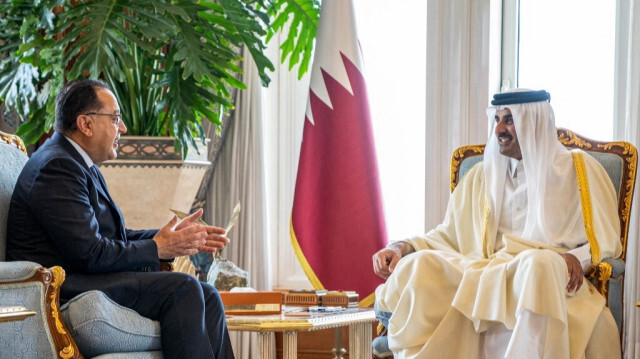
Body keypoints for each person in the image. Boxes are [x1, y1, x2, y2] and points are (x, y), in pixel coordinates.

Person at [371, 89, 622, 359]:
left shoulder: (579, 170)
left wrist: (573, 257)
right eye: (497, 120)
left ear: (534, 122)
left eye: (510, 120)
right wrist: (401, 248)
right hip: (485, 273)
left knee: (540, 264)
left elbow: (606, 240)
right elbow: (448, 236)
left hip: (546, 278)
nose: (499, 129)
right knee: (420, 265)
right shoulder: (481, 175)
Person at [6, 79, 235, 358]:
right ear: (86, 124)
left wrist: (174, 239)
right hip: (65, 286)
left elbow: (111, 238)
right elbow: (90, 253)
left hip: (88, 274)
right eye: (115, 118)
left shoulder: (77, 163)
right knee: (183, 288)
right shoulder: (57, 167)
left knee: (208, 295)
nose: (123, 128)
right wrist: (157, 247)